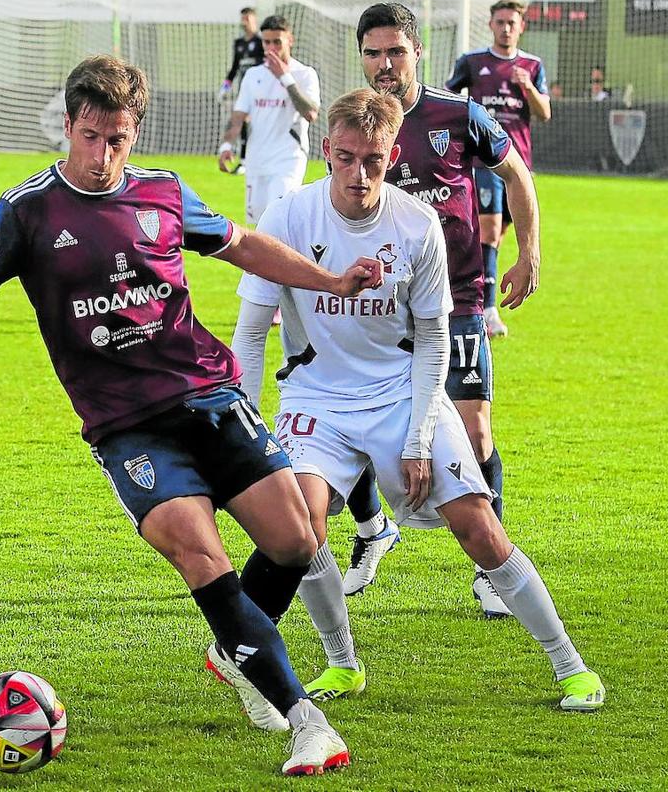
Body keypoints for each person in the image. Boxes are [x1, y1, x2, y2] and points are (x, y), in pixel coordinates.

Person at [0, 54, 384, 776]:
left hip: (209, 396)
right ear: (68, 123)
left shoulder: (164, 193)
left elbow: (243, 246)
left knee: (298, 541)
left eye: (117, 139)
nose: (102, 155)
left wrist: (330, 280)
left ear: (133, 132)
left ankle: (233, 647)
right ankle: (306, 719)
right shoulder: (26, 211)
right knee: (197, 550)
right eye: (89, 136)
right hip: (126, 426)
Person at [240, 86, 605, 713]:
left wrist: (415, 441)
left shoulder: (415, 223)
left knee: (479, 529)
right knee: (302, 526)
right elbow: (250, 332)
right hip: (317, 396)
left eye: (374, 161)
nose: (359, 175)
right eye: (347, 158)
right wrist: (250, 440)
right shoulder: (289, 217)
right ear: (327, 150)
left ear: (391, 154)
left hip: (402, 393)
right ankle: (342, 663)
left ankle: (569, 664)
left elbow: (435, 338)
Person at [336, 3, 541, 622]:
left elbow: (518, 175)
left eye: (395, 51)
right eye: (373, 53)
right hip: (377, 307)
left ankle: (489, 568)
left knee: (475, 432)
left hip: (458, 301)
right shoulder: (358, 123)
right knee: (352, 429)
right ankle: (373, 530)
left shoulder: (458, 115)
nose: (384, 65)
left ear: (417, 52)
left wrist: (528, 252)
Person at [218, 14, 321, 406]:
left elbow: (311, 112)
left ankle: (271, 303)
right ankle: (275, 297)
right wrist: (227, 144)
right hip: (257, 165)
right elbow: (240, 117)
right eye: (266, 43)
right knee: (258, 235)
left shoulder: (304, 74)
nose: (271, 50)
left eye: (277, 42)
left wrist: (286, 78)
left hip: (287, 163)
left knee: (277, 225)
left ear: (290, 40)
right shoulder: (253, 77)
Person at [447, 0, 551, 339]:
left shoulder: (532, 65)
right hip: (483, 162)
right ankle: (488, 310)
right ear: (491, 24)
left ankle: (472, 296)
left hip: (518, 165)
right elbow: (447, 101)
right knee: (488, 233)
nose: (506, 28)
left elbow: (544, 113)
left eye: (512, 22)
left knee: (498, 238)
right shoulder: (473, 62)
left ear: (522, 26)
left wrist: (528, 88)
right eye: (501, 22)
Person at [219, 6, 266, 169]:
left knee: (256, 122)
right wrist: (225, 87)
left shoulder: (261, 42)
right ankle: (245, 160)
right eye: (243, 18)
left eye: (248, 18)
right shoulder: (239, 43)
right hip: (244, 90)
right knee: (242, 121)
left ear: (254, 20)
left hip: (260, 90)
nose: (244, 22)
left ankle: (254, 158)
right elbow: (234, 68)